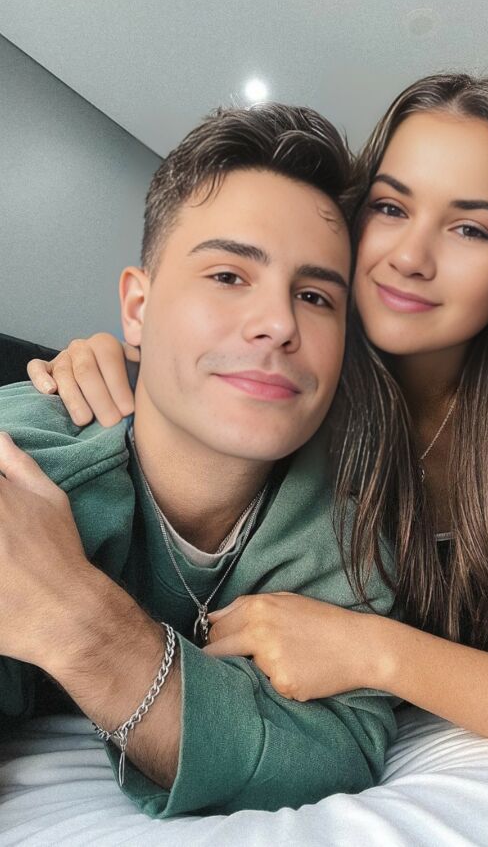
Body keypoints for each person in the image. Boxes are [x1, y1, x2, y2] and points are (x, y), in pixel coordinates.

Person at [36, 74, 488, 746]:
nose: (410, 257)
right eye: (391, 208)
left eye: (469, 228)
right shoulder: (285, 387)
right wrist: (118, 360)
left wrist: (374, 652)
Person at [0, 103, 404, 819]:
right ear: (137, 308)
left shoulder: (349, 535)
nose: (278, 323)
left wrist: (84, 629)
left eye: (315, 296)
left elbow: (338, 749)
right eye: (227, 275)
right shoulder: (28, 462)